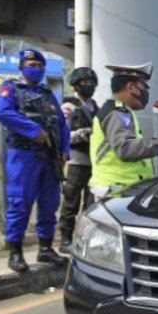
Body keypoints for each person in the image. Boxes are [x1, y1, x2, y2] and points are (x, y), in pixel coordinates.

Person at [0, 48, 70, 273]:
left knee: (50, 204)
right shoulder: (10, 89)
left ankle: (45, 249)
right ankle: (15, 252)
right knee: (19, 203)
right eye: (31, 65)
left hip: (50, 158)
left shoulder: (48, 94)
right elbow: (3, 113)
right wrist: (34, 130)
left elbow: (61, 125)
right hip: (23, 156)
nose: (35, 69)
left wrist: (65, 150)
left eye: (39, 66)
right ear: (21, 67)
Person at [88, 63, 158, 200]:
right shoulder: (117, 113)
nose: (146, 93)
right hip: (114, 192)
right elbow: (126, 149)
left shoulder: (122, 112)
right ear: (131, 88)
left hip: (119, 190)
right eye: (144, 87)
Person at [58, 67, 99, 252]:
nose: (88, 86)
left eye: (91, 83)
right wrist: (81, 134)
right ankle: (65, 240)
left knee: (91, 205)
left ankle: (86, 240)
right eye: (84, 83)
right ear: (76, 85)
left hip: (94, 163)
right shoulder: (68, 107)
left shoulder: (96, 107)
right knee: (71, 202)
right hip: (76, 162)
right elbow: (62, 134)